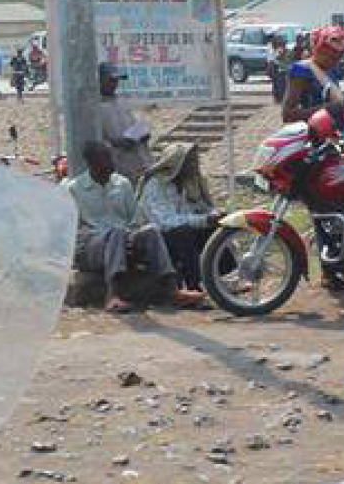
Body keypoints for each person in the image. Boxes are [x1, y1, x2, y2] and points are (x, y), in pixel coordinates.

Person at [64, 141, 205, 313]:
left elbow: (135, 218)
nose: (111, 163)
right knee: (115, 232)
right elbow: (70, 228)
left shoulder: (122, 184)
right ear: (91, 162)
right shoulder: (73, 189)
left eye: (111, 158)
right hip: (90, 246)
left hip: (121, 238)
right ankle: (113, 295)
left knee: (150, 231)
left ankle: (172, 290)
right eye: (105, 159)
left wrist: (133, 236)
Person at [136, 143, 225, 292]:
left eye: (196, 161)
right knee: (183, 233)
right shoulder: (155, 185)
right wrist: (204, 219)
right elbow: (166, 222)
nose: (195, 166)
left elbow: (201, 208)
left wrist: (215, 215)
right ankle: (193, 287)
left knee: (216, 231)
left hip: (178, 231)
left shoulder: (188, 185)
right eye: (190, 162)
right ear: (177, 164)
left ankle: (223, 280)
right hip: (155, 238)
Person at [282, 26, 344, 124]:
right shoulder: (301, 70)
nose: (335, 60)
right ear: (318, 50)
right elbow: (287, 115)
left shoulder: (331, 69)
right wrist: (329, 109)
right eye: (330, 55)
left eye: (339, 56)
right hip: (312, 133)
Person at [97, 62, 151, 183]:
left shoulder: (121, 101)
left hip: (140, 164)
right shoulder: (94, 107)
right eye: (111, 80)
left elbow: (134, 127)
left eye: (116, 80)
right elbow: (94, 144)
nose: (115, 84)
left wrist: (143, 134)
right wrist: (116, 143)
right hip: (120, 169)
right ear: (100, 80)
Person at [267, 35, 291, 105]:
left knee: (281, 85)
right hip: (276, 70)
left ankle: (280, 98)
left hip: (282, 70)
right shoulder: (273, 51)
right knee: (277, 84)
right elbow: (271, 61)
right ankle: (278, 98)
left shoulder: (284, 51)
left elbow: (286, 61)